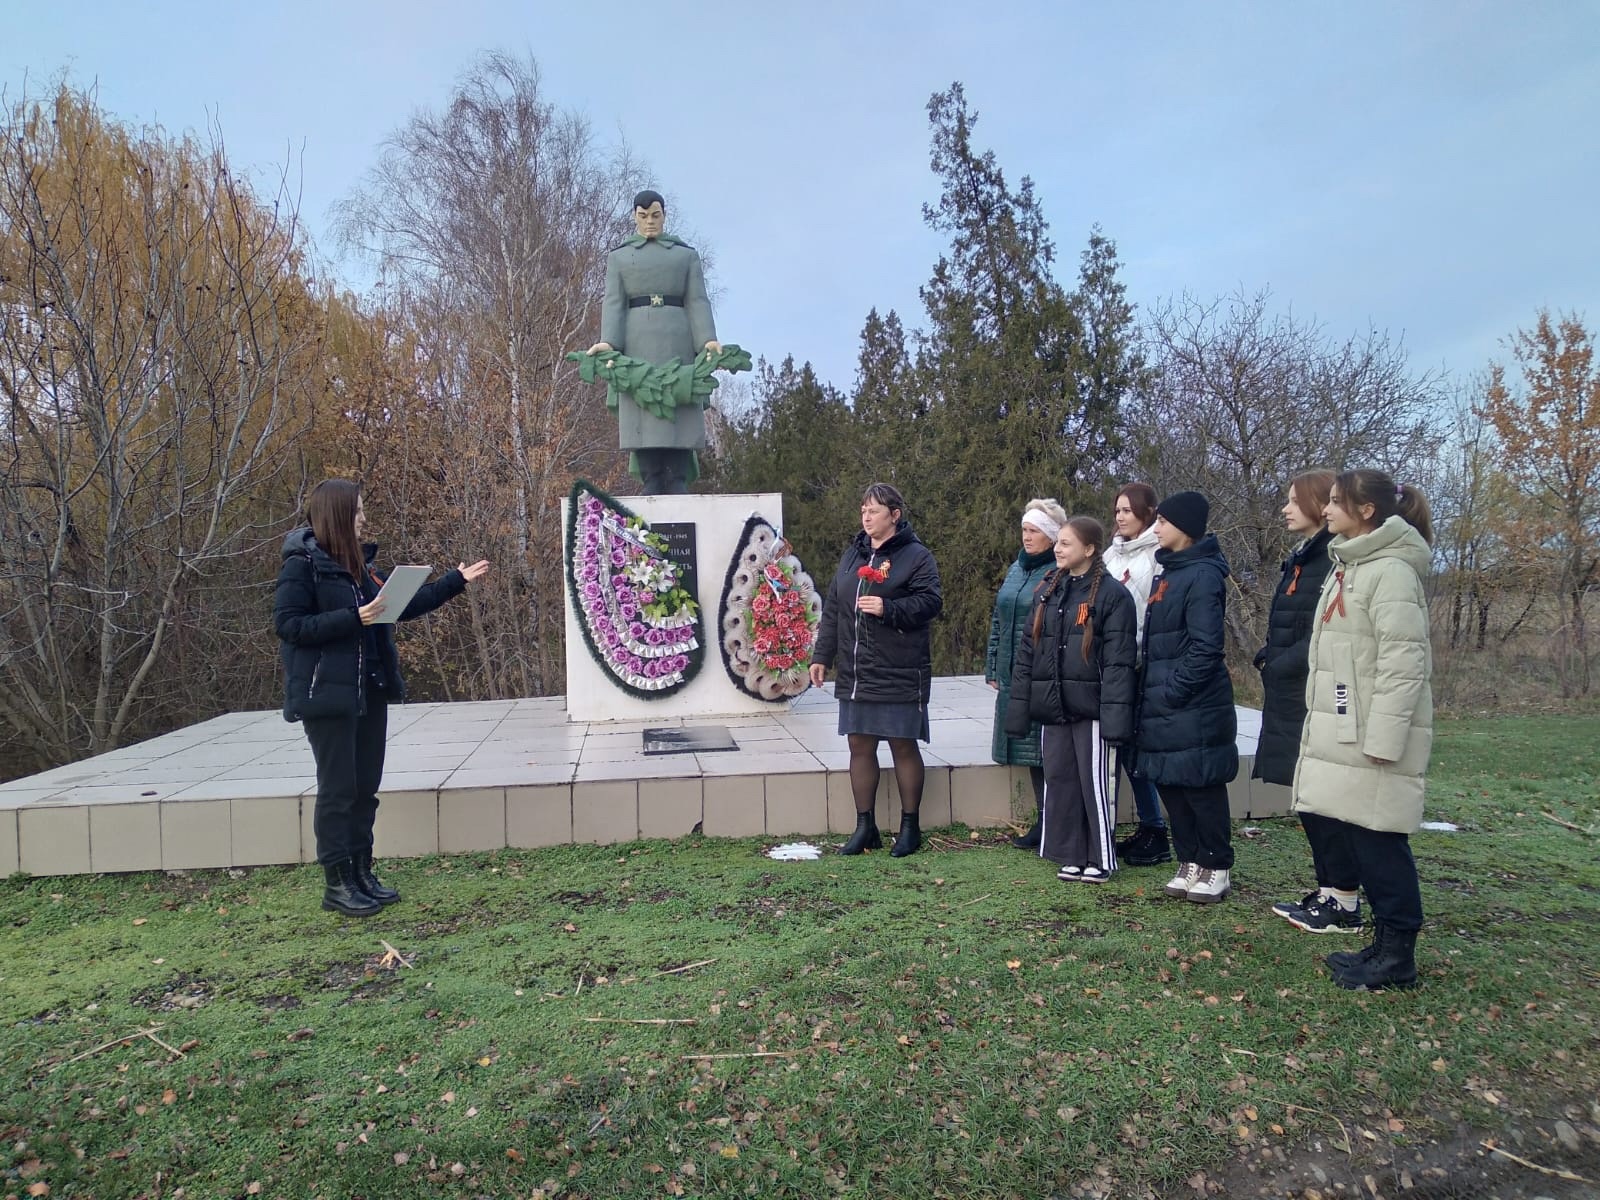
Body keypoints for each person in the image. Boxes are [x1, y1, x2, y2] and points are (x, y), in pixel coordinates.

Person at [274, 480, 490, 917]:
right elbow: (290, 625)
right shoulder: (303, 565)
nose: (363, 518)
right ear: (336, 515)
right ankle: (337, 884)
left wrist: (454, 581)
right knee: (338, 791)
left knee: (364, 789)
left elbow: (401, 607)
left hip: (369, 690)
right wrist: (353, 618)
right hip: (328, 695)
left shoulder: (359, 567)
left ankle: (361, 874)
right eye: (356, 511)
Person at [1293, 470, 1434, 991]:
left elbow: (1403, 665)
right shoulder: (1350, 565)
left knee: (1380, 842)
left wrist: (1384, 740)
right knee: (1362, 837)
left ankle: (1399, 954)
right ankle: (1382, 944)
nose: (1325, 510)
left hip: (1376, 735)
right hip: (1347, 727)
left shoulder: (1391, 572)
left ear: (1367, 511)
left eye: (1334, 502)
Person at [809, 484, 943, 858]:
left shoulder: (916, 556)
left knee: (902, 743)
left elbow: (931, 602)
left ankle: (910, 827)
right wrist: (822, 656)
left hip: (899, 667)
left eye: (875, 510)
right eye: (863, 510)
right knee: (859, 743)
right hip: (857, 670)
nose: (867, 517)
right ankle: (865, 826)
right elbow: (835, 606)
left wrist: (889, 609)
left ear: (895, 515)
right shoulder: (854, 554)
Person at [1004, 517, 1137, 881]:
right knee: (1060, 780)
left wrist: (1114, 719)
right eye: (1058, 542)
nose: (1058, 549)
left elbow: (1119, 664)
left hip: (1090, 709)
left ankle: (1100, 857)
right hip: (1054, 707)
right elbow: (1028, 652)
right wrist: (1020, 706)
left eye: (1065, 543)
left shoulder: (1112, 596)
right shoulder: (1049, 589)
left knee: (1093, 783)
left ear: (1089, 549)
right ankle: (1072, 852)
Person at [1253, 470, 1356, 934]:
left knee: (1324, 799)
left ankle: (1345, 900)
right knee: (1308, 797)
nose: (1285, 508)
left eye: (1295, 501)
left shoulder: (1330, 561)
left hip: (1312, 692)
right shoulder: (1303, 559)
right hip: (1293, 691)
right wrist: (1269, 655)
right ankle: (1329, 890)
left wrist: (1284, 662)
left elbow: (1324, 632)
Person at [1137, 491, 1239, 904]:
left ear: (1186, 529)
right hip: (1163, 703)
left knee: (1200, 785)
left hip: (1192, 703)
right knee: (1172, 783)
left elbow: (1206, 646)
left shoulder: (1203, 574)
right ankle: (1190, 859)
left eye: (1163, 522)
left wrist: (1174, 690)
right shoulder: (1168, 572)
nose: (1156, 528)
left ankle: (1217, 864)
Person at [586, 189, 719, 494]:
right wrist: (609, 342)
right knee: (641, 410)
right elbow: (614, 303)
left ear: (664, 215)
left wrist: (707, 340)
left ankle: (677, 477)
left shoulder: (685, 255)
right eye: (643, 216)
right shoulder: (619, 257)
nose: (649, 222)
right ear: (634, 217)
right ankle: (652, 477)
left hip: (678, 343)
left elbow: (697, 300)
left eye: (655, 215)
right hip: (637, 346)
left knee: (681, 403)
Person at [986, 498, 1069, 849]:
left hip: (1042, 673)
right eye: (1024, 529)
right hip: (1013, 672)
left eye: (1034, 530)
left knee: (1045, 749)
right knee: (1028, 748)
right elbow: (998, 619)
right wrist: (992, 665)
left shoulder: (1059, 571)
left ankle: (1055, 822)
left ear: (1051, 536)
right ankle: (1044, 819)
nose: (1027, 537)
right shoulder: (1016, 569)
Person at [1102, 482, 1169, 866]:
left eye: (1128, 510)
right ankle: (1148, 826)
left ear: (1146, 513)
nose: (1121, 517)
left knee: (1140, 750)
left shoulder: (1156, 555)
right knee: (1126, 749)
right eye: (1117, 511)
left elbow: (1148, 611)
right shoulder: (1113, 552)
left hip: (1141, 662)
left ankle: (1156, 828)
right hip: (1115, 663)